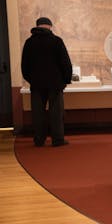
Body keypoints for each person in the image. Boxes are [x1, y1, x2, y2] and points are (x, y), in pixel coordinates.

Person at [21, 17, 72, 147]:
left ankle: (39, 139)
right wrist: (65, 80)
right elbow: (65, 63)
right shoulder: (56, 41)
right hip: (55, 84)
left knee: (38, 113)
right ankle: (58, 139)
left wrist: (31, 79)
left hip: (37, 84)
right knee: (56, 112)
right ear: (50, 26)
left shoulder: (29, 42)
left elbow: (24, 66)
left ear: (37, 26)